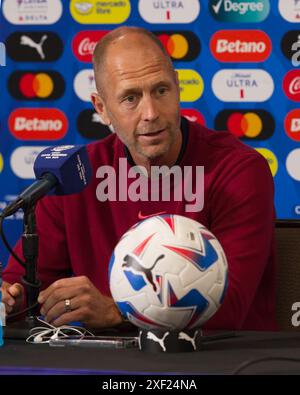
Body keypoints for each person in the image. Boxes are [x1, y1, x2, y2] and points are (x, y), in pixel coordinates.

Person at [1, 27, 277, 330]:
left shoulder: (238, 170)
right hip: (99, 363)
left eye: (161, 91)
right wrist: (9, 299)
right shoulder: (73, 175)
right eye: (130, 98)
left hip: (218, 363)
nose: (150, 113)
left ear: (177, 88)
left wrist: (117, 312)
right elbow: (24, 289)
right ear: (102, 109)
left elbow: (229, 307)